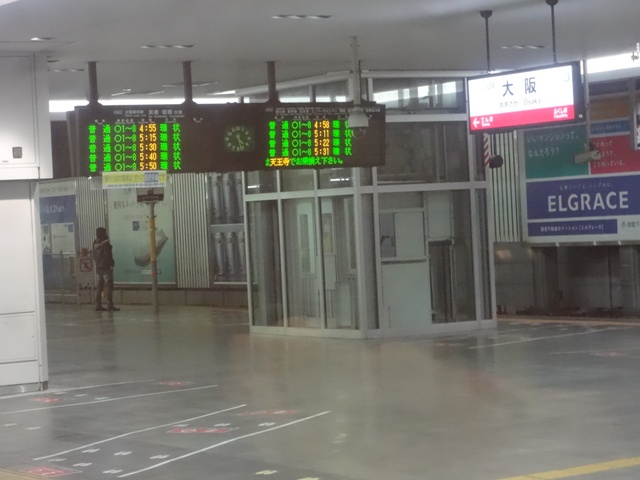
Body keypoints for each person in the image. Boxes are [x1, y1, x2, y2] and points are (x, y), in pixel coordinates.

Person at [93, 227, 119, 311]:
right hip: (106, 267)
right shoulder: (106, 244)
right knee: (109, 286)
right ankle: (109, 304)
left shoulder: (95, 243)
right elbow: (108, 255)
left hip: (99, 267)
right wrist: (111, 264)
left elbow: (94, 256)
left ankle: (98, 304)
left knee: (99, 286)